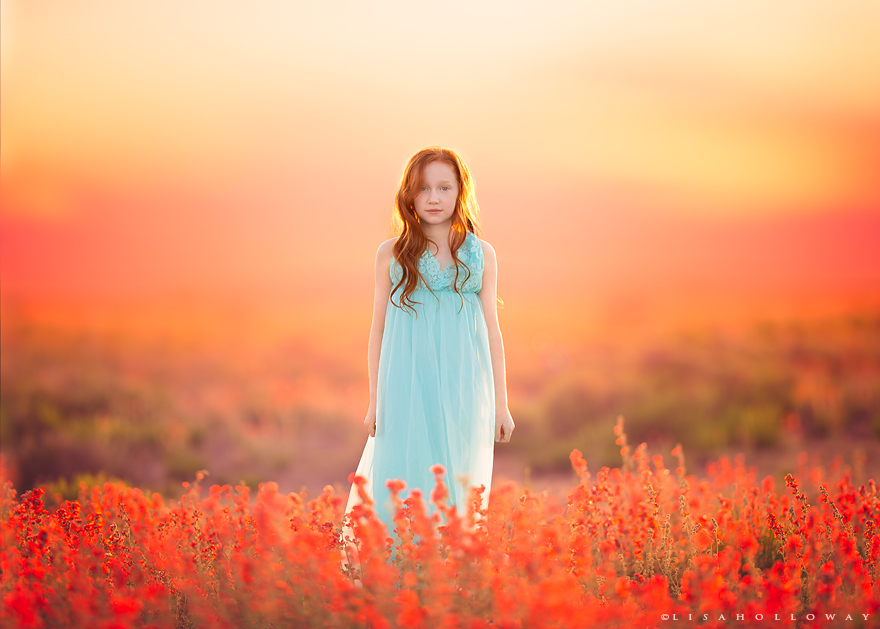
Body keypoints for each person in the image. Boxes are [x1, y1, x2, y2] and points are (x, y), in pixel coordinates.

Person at [344, 146, 515, 541]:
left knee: (457, 478)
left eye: (444, 188)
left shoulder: (480, 254)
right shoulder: (392, 253)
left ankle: (448, 564)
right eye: (423, 188)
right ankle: (398, 564)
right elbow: (378, 329)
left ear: (460, 193)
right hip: (405, 385)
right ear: (409, 194)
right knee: (404, 474)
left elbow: (492, 330)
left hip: (463, 386)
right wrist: (375, 401)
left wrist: (501, 404)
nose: (433, 198)